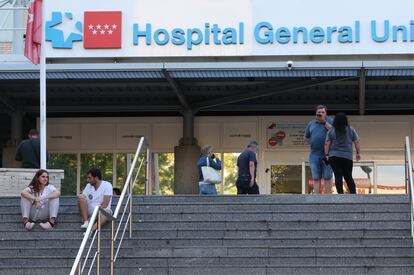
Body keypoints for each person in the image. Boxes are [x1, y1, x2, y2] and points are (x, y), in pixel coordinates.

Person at [324, 112, 361, 194]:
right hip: (347, 157)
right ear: (345, 120)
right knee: (348, 176)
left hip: (334, 156)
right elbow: (356, 142)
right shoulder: (351, 129)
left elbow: (327, 143)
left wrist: (326, 155)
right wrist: (358, 153)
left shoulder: (331, 131)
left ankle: (340, 195)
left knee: (338, 176)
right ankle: (353, 194)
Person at [304, 105, 333, 194]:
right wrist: (312, 142)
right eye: (318, 112)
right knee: (316, 177)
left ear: (326, 113)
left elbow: (334, 132)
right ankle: (316, 199)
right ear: (316, 113)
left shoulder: (331, 121)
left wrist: (324, 122)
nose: (320, 114)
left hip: (328, 154)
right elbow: (306, 137)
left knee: (327, 177)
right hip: (314, 154)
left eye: (322, 112)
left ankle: (328, 198)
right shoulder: (311, 123)